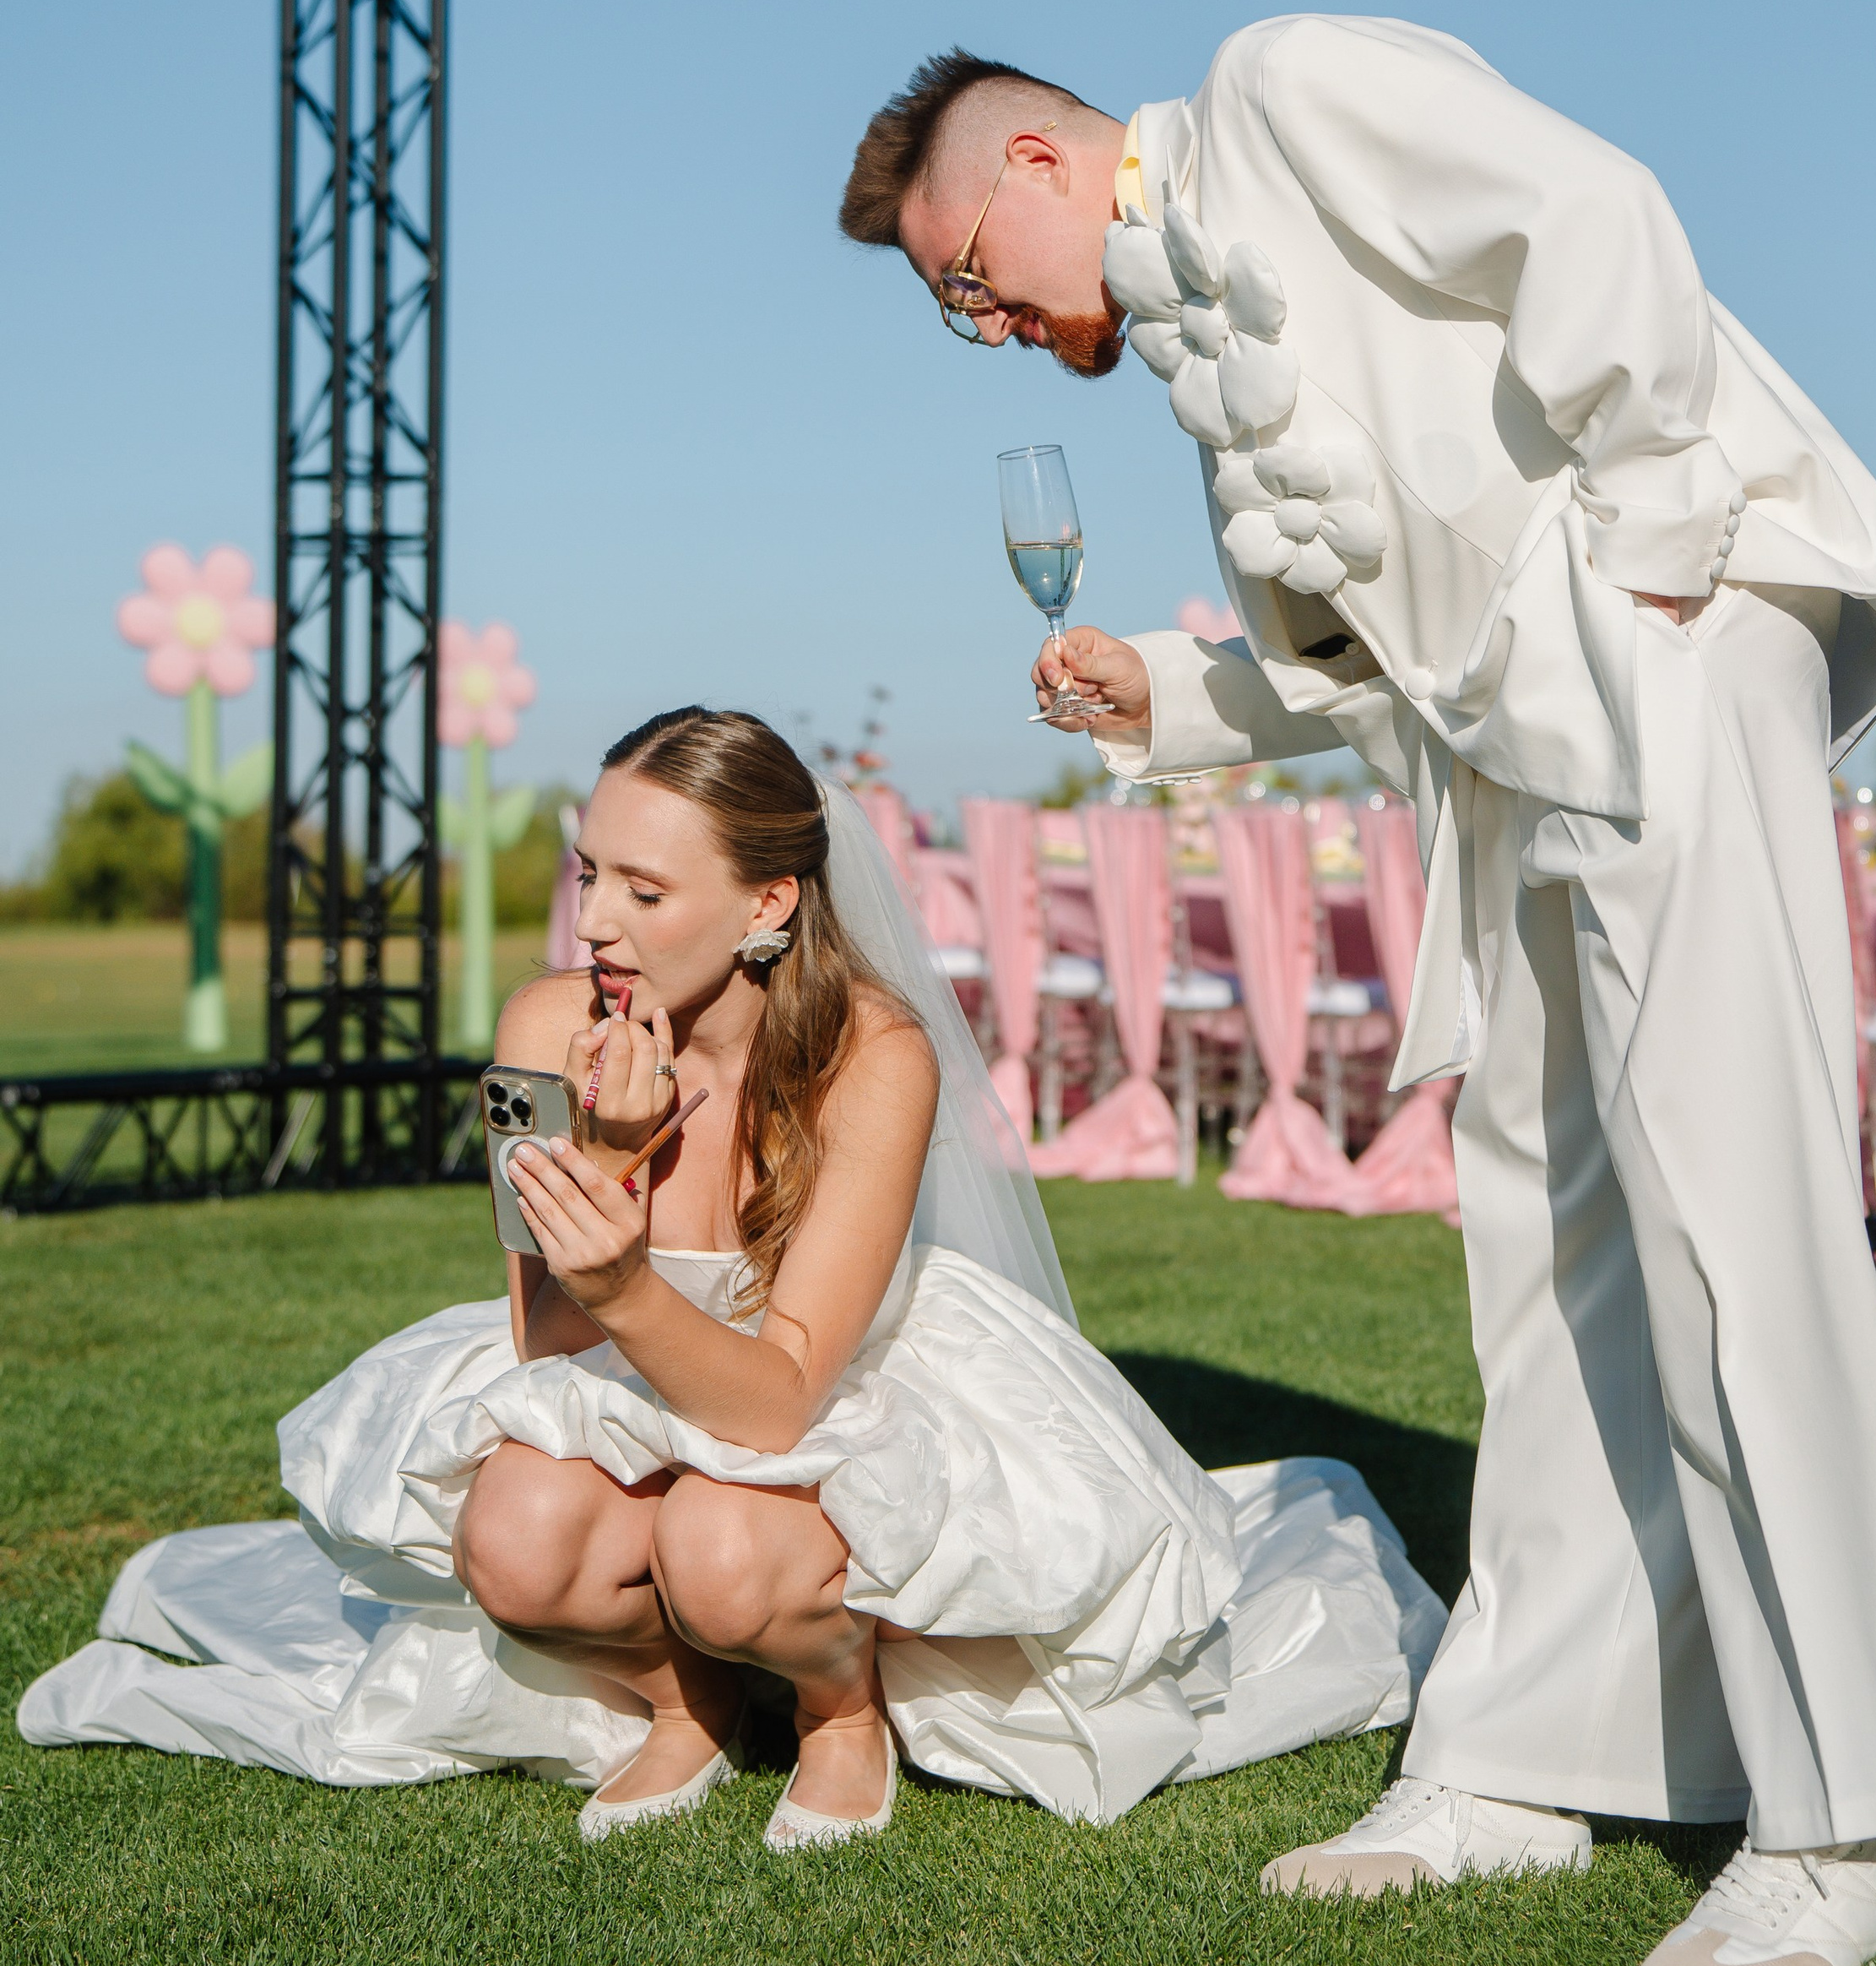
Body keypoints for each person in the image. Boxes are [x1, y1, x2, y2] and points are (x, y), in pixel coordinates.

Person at [836, 21, 1876, 1966]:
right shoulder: (1191, 333)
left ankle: (1843, 1827)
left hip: (1669, 635)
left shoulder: (1288, 83)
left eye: (969, 284)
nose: (997, 331)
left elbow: (1589, 219)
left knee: (1732, 1224)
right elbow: (1376, 639)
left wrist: (1650, 538)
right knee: (1546, 1249)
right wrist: (1172, 699)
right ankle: (1522, 1762)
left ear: (1032, 161)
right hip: (1505, 753)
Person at [21, 709, 1441, 1844]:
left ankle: (837, 1710)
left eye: (644, 889)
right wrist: (612, 1157)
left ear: (767, 903)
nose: (595, 925)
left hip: (822, 1397)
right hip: (602, 1376)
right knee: (512, 1540)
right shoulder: (540, 1028)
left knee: (723, 1543)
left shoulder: (870, 1058)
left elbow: (778, 1405)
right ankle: (689, 1696)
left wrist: (635, 1262)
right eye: (588, 874)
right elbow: (541, 1337)